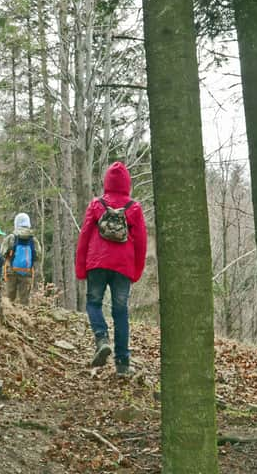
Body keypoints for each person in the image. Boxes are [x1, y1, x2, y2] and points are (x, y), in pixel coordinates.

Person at [75, 161, 147, 377]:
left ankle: (102, 338)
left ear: (107, 181)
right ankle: (123, 364)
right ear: (127, 183)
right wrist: (136, 270)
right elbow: (142, 242)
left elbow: (85, 236)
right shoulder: (133, 208)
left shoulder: (97, 205)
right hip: (123, 267)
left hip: (97, 263)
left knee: (93, 303)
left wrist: (81, 267)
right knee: (120, 312)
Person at [1, 212, 41, 305]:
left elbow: (3, 252)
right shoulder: (33, 239)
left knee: (9, 299)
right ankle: (25, 317)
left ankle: (9, 317)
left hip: (11, 270)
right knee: (24, 300)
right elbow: (38, 255)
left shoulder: (11, 237)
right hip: (27, 271)